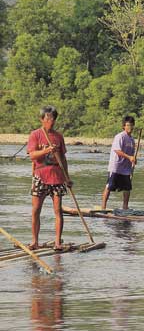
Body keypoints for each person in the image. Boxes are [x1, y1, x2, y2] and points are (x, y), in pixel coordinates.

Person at [27, 105, 72, 251]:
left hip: (57, 177)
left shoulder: (58, 136)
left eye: (53, 118)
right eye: (48, 118)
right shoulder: (36, 135)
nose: (51, 121)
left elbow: (63, 158)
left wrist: (67, 177)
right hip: (40, 175)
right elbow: (32, 155)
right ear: (42, 119)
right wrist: (46, 150)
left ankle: (58, 242)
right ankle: (35, 241)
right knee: (36, 209)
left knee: (58, 210)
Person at [101, 116, 137, 210]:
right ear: (124, 126)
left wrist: (133, 160)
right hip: (116, 166)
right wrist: (129, 157)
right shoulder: (120, 136)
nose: (130, 127)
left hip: (126, 168)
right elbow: (117, 150)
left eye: (132, 125)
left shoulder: (132, 140)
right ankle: (103, 207)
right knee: (110, 186)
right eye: (128, 125)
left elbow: (132, 154)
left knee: (127, 188)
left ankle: (125, 207)